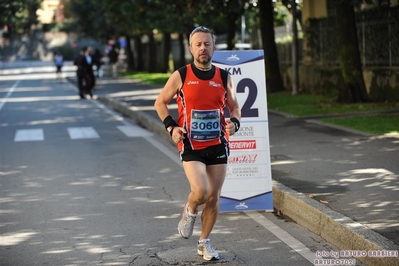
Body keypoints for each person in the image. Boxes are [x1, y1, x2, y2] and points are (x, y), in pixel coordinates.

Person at [154, 26, 241, 261]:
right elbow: (160, 103)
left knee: (214, 196)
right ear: (191, 48)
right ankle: (190, 210)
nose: (203, 47)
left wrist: (234, 123)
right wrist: (172, 127)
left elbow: (234, 107)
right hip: (191, 144)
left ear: (213, 47)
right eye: (198, 44)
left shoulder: (223, 76)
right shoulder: (182, 75)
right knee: (201, 192)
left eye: (207, 43)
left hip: (218, 144)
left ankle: (204, 243)